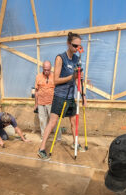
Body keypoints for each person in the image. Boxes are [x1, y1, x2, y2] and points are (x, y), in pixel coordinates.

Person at [37, 32, 86, 160]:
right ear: (68, 44)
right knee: (52, 122)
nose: (77, 49)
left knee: (74, 121)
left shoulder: (77, 60)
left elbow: (78, 80)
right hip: (60, 96)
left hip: (71, 96)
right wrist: (72, 76)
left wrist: (83, 96)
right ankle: (41, 148)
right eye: (75, 46)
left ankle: (75, 143)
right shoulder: (60, 58)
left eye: (79, 46)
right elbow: (56, 80)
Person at [34, 60, 61, 141]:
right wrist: (36, 104)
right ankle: (43, 137)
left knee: (55, 121)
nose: (46, 71)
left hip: (52, 103)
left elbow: (59, 90)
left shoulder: (54, 77)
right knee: (42, 121)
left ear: (50, 68)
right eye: (45, 69)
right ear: (43, 68)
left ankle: (58, 137)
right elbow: (36, 91)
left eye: (48, 70)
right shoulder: (38, 76)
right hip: (41, 103)